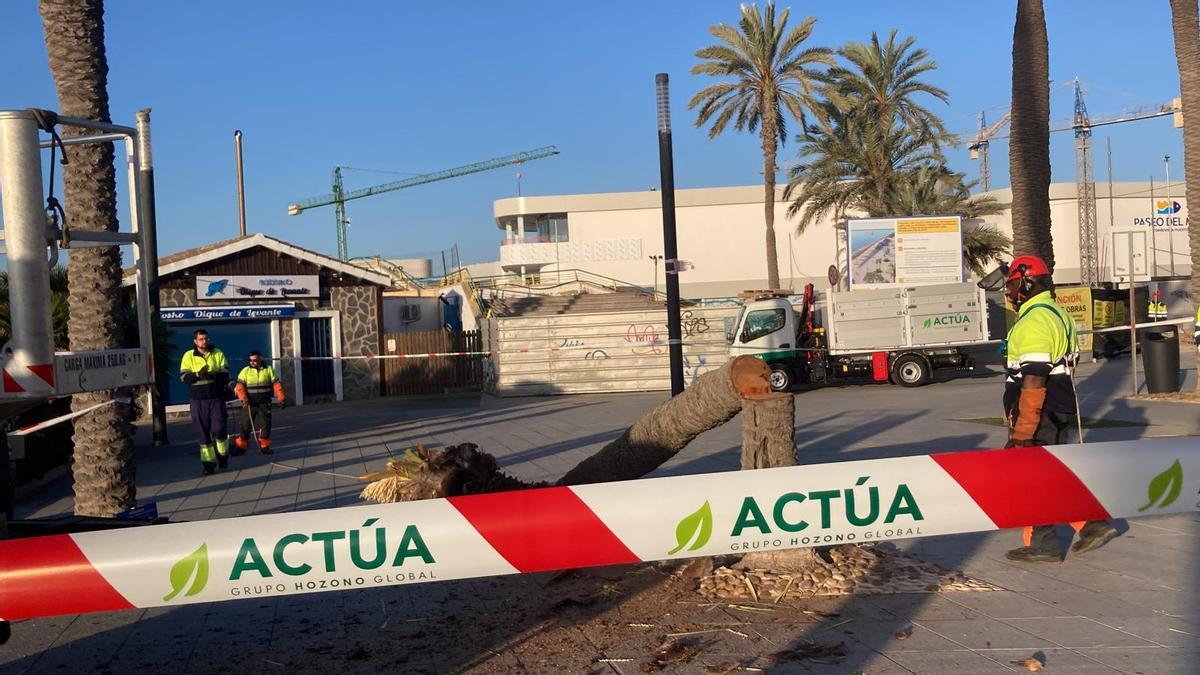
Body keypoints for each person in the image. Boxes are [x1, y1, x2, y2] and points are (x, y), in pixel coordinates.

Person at [982, 255, 1118, 563]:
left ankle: (1067, 533)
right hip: (1058, 406)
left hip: (1040, 411)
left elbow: (1034, 378)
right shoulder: (1056, 314)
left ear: (1027, 283)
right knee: (1048, 475)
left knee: (1035, 478)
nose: (1008, 292)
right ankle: (1074, 530)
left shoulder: (1035, 321)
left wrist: (1023, 429)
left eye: (1011, 285)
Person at [180, 329, 231, 475]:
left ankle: (223, 457)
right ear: (195, 341)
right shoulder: (188, 355)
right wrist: (197, 374)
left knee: (219, 429)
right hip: (198, 400)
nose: (204, 341)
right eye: (201, 339)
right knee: (203, 434)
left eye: (206, 338)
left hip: (216, 398)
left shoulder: (218, 353)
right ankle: (208, 465)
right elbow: (183, 377)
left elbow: (226, 373)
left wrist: (213, 375)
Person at [233, 350, 286, 454]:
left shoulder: (269, 370)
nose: (252, 362)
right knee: (245, 424)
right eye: (250, 360)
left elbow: (276, 385)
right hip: (250, 403)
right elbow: (239, 386)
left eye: (255, 360)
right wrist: (243, 398)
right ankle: (241, 447)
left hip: (264, 402)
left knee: (265, 425)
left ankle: (265, 447)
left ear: (260, 359)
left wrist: (281, 398)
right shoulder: (245, 371)